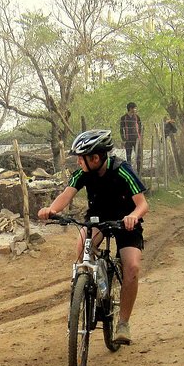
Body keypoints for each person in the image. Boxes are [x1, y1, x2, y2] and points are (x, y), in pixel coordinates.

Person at [38, 129, 149, 344]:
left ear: (95, 158)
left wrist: (133, 216)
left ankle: (123, 323)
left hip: (126, 221)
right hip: (97, 219)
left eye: (81, 158)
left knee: (132, 267)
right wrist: (51, 210)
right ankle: (89, 286)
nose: (78, 162)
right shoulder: (83, 173)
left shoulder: (122, 170)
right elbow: (66, 194)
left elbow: (143, 204)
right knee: (81, 247)